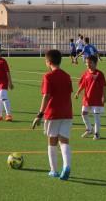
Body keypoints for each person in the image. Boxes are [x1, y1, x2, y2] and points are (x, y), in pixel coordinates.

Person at [31, 49, 73, 181]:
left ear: (48, 62)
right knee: (64, 140)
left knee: (52, 141)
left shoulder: (48, 77)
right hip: (67, 113)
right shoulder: (67, 76)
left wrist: (39, 114)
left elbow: (46, 96)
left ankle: (54, 170)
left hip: (53, 113)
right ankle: (66, 165)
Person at [75, 55, 106, 140]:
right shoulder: (86, 73)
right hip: (87, 98)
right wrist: (78, 92)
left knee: (96, 116)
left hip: (97, 99)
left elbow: (104, 85)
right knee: (83, 114)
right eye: (86, 63)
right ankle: (89, 129)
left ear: (95, 63)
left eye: (90, 63)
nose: (88, 64)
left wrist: (104, 96)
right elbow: (83, 84)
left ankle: (97, 134)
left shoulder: (99, 74)